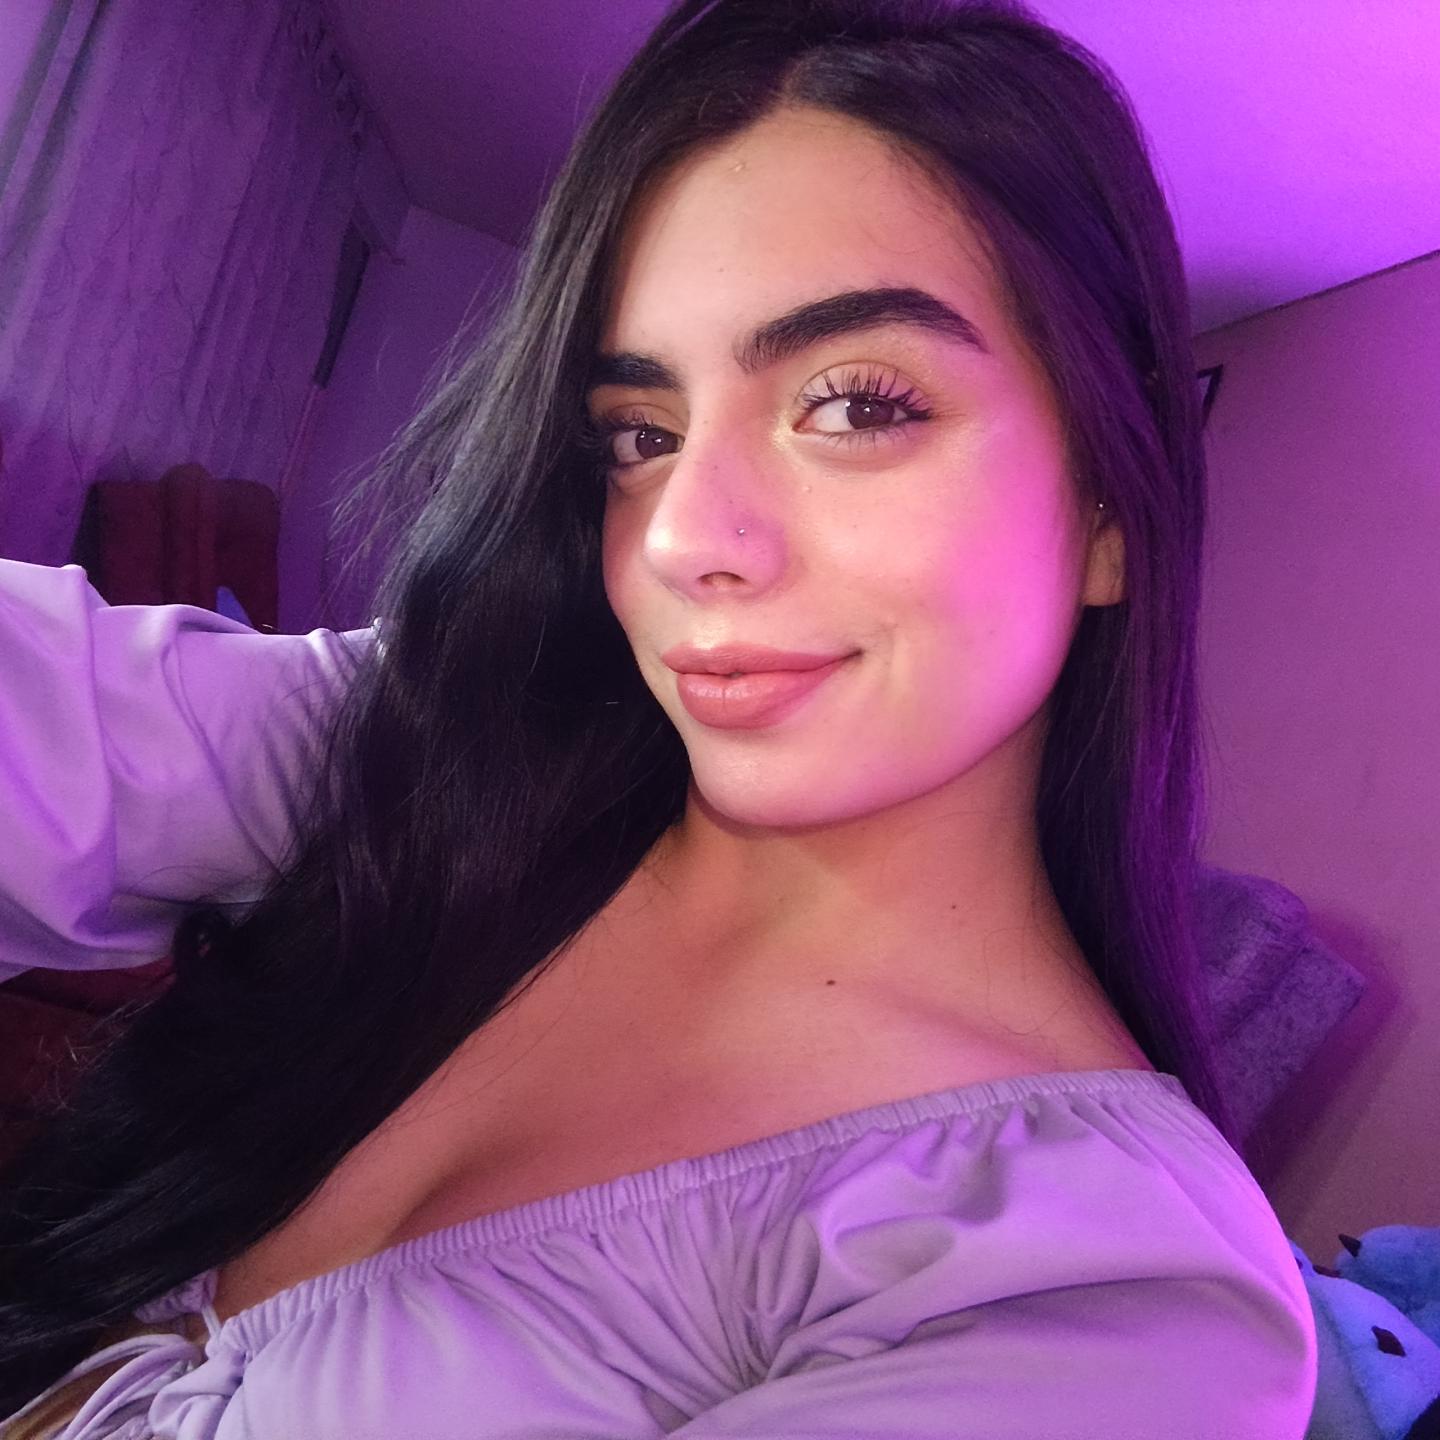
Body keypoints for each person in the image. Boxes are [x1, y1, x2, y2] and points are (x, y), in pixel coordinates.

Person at [0, 0, 1318, 1434]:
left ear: (1113, 500)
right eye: (643, 434)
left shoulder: (1110, 1305)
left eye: (855, 405)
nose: (683, 535)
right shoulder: (451, 753)